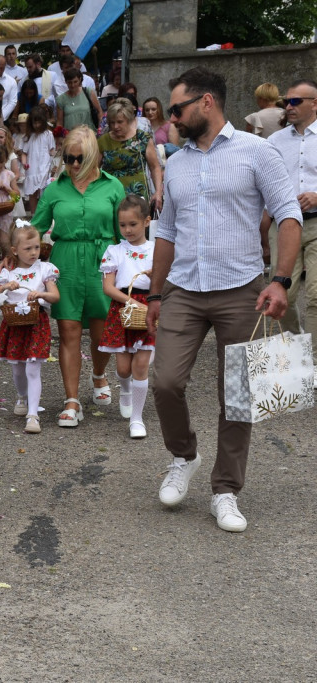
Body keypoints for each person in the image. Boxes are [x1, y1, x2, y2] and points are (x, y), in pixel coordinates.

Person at [147, 67, 302, 533]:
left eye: (178, 108)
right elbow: (167, 232)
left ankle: (226, 490)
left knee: (237, 394)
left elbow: (289, 215)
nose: (172, 117)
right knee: (166, 381)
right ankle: (184, 456)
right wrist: (154, 292)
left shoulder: (258, 152)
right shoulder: (175, 162)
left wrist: (280, 281)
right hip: (184, 289)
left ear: (207, 102)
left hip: (242, 290)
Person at [30, 126, 125, 428]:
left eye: (79, 159)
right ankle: (72, 400)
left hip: (103, 262)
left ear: (93, 156)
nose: (72, 165)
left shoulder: (113, 187)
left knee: (101, 333)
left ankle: (98, 374)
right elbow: (36, 227)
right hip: (67, 261)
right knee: (69, 331)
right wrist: (15, 251)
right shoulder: (56, 188)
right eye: (69, 158)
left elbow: (125, 232)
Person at [0, 223, 61, 434]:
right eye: (28, 249)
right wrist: (4, 287)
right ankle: (21, 396)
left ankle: (33, 414)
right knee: (17, 368)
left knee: (32, 367)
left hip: (36, 324)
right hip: (15, 325)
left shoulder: (45, 269)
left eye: (36, 247)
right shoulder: (9, 273)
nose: (33, 253)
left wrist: (41, 294)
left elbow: (55, 296)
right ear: (14, 250)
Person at [98, 195, 155, 439]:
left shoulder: (157, 250)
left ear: (147, 222)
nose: (127, 230)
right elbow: (108, 287)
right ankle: (125, 388)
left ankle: (137, 419)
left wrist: (155, 279)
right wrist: (130, 301)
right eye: (122, 225)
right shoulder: (115, 251)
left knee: (140, 364)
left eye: (133, 224)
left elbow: (166, 283)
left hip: (149, 308)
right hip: (123, 308)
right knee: (123, 368)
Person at [267, 79, 317, 335]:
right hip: (284, 224)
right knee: (282, 294)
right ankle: (297, 348)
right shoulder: (274, 141)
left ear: (314, 104)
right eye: (287, 101)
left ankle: (314, 361)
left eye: (296, 101)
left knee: (316, 294)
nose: (289, 106)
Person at [98, 98, 164, 212]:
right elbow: (94, 169)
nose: (115, 126)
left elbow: (155, 167)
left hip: (138, 196)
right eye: (112, 122)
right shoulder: (103, 141)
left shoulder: (142, 138)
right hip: (111, 195)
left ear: (128, 120)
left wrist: (158, 192)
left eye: (119, 122)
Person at [16, 107, 56, 215]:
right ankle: (34, 215)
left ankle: (44, 215)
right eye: (35, 123)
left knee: (43, 191)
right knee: (32, 193)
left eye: (39, 122)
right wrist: (24, 163)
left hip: (44, 166)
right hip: (32, 167)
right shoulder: (28, 136)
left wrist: (53, 164)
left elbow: (52, 150)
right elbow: (24, 153)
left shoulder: (48, 134)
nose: (37, 125)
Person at [56, 68, 102, 134]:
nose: (73, 85)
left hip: (89, 135)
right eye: (70, 82)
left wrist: (100, 129)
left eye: (75, 82)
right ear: (65, 82)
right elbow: (59, 122)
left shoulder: (88, 92)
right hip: (70, 137)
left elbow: (99, 111)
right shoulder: (61, 99)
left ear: (80, 80)